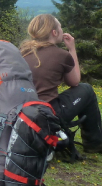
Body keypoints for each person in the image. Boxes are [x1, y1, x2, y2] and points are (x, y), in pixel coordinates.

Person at [20, 14, 102, 153]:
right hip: (48, 114)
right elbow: (74, 81)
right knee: (86, 90)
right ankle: (94, 144)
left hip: (22, 113)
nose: (62, 30)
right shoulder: (61, 55)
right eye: (60, 27)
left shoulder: (22, 52)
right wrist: (72, 49)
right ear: (54, 32)